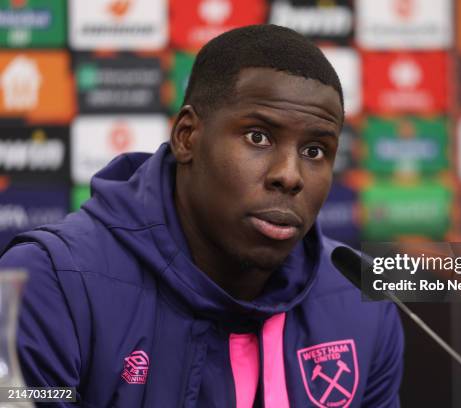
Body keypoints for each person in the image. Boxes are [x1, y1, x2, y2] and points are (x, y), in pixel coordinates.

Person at [0, 25, 404, 407]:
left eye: (314, 151)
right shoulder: (47, 284)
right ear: (187, 137)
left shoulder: (361, 300)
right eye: (258, 137)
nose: (290, 175)